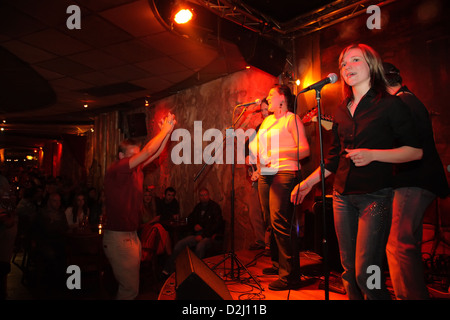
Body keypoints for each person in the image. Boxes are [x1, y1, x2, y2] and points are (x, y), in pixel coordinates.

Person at [290, 44, 423, 300]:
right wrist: (307, 184)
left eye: (354, 60)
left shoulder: (390, 105)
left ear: (371, 65)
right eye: (343, 63)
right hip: (341, 197)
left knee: (366, 272)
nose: (347, 67)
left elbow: (414, 151)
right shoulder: (341, 109)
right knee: (349, 272)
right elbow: (332, 160)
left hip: (375, 197)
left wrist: (374, 154)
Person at [383, 62, 449, 300]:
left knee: (398, 243)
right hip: (421, 179)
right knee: (408, 242)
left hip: (415, 179)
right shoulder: (410, 100)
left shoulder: (402, 103)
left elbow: (404, 145)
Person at [103, 112, 175, 300]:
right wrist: (164, 131)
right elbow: (148, 152)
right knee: (129, 289)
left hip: (132, 235)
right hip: (118, 238)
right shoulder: (117, 169)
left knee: (131, 288)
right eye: (133, 156)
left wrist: (166, 133)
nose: (138, 159)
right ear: (121, 156)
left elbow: (156, 152)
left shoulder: (136, 170)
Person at [249, 84, 310, 291]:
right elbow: (258, 146)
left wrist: (278, 152)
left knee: (280, 220)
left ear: (282, 98)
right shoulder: (266, 120)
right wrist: (257, 164)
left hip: (285, 172)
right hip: (266, 173)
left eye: (270, 95)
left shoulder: (291, 119)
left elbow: (304, 150)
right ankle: (278, 264)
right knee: (270, 221)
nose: (267, 98)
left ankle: (290, 276)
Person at [162, 188, 223, 275]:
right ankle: (168, 269)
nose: (203, 197)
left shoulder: (214, 207)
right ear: (199, 197)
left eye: (205, 195)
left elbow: (217, 225)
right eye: (201, 195)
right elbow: (191, 218)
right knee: (180, 244)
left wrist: (203, 235)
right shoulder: (198, 207)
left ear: (209, 195)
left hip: (209, 236)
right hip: (197, 235)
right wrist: (195, 225)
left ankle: (195, 273)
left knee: (200, 246)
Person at [246, 98, 270, 251]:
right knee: (254, 208)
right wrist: (249, 159)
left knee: (268, 210)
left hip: (272, 174)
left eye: (266, 110)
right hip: (258, 174)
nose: (264, 113)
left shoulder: (278, 127)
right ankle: (260, 240)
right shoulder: (259, 128)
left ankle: (269, 244)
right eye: (262, 110)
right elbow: (248, 147)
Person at [139, 189, 171, 262]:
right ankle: (169, 256)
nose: (148, 197)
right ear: (142, 197)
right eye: (145, 195)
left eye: (149, 195)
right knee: (158, 227)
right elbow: (139, 226)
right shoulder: (140, 209)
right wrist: (152, 221)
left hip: (153, 231)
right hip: (144, 233)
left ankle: (168, 257)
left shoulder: (152, 208)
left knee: (164, 231)